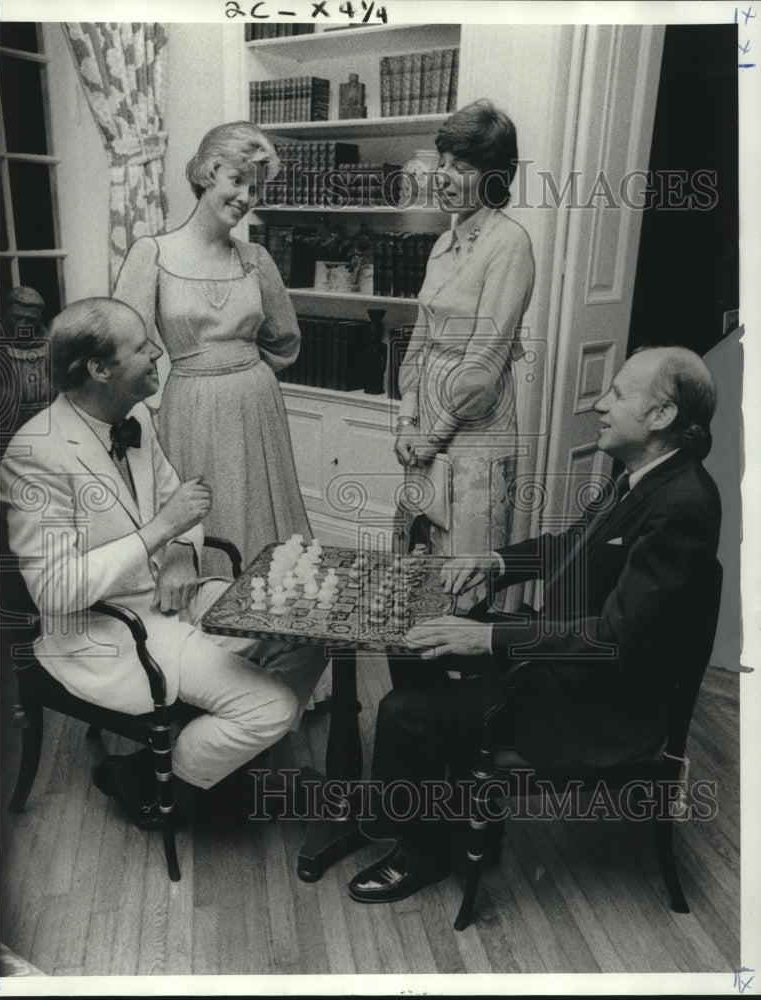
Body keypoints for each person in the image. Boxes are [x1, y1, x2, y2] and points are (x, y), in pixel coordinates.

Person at [347, 345, 722, 904]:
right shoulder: (641, 475)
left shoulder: (682, 503)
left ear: (662, 416)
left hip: (597, 707)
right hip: (564, 661)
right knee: (414, 635)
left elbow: (614, 640)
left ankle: (423, 850)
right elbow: (574, 545)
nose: (599, 403)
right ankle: (452, 799)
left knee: (401, 712)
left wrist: (488, 637)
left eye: (617, 393)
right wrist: (497, 563)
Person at [0, 297, 326, 829]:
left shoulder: (137, 419)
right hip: (109, 634)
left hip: (175, 599)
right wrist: (159, 532)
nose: (157, 353)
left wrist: (177, 552)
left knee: (312, 632)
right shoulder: (35, 455)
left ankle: (209, 758)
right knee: (275, 709)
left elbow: (184, 506)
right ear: (99, 370)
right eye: (140, 347)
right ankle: (151, 783)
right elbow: (54, 593)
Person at [113, 121, 310, 573]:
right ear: (206, 172)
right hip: (190, 407)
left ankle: (264, 629)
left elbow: (285, 340)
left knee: (265, 519)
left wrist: (242, 371)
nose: (244, 198)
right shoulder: (153, 254)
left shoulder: (256, 259)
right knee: (205, 518)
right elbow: (126, 352)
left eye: (254, 189)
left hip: (256, 403)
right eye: (236, 180)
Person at [394, 99, 535, 564]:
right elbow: (419, 341)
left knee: (464, 557)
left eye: (463, 167)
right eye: (443, 163)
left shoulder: (509, 243)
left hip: (474, 425)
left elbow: (483, 366)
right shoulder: (442, 242)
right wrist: (407, 421)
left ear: (494, 178)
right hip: (428, 421)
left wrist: (431, 438)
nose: (444, 176)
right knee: (421, 548)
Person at [0, 285, 55, 434]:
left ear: (39, 319)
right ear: (7, 313)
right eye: (17, 317)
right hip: (5, 429)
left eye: (30, 320)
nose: (23, 324)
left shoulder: (54, 346)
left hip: (48, 426)